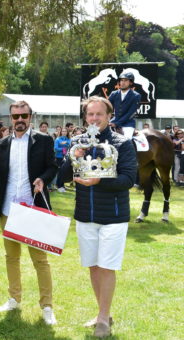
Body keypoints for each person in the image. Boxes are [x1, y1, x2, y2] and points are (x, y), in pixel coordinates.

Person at [0, 100, 58, 325]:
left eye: (24, 116)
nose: (20, 120)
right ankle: (14, 298)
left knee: (40, 260)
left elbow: (53, 166)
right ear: (10, 118)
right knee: (11, 258)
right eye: (15, 116)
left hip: (33, 208)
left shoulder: (44, 140)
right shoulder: (2, 144)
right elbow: (0, 174)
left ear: (30, 116)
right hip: (8, 210)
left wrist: (43, 179)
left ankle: (47, 306)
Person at [62, 96, 137, 338]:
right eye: (90, 114)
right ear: (85, 117)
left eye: (99, 114)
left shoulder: (122, 143)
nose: (94, 118)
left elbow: (128, 179)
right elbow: (63, 174)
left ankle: (103, 319)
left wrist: (99, 181)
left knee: (106, 267)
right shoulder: (77, 141)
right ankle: (102, 312)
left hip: (113, 216)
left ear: (109, 116)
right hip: (85, 214)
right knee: (93, 266)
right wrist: (74, 155)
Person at [108, 72, 141, 139]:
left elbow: (130, 113)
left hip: (128, 124)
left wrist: (116, 124)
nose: (123, 82)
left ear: (131, 83)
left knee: (127, 139)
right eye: (121, 80)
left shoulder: (136, 96)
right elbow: (107, 108)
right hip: (114, 120)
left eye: (126, 80)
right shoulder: (114, 94)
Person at [54, 128, 71, 193]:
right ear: (61, 132)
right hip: (59, 157)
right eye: (63, 131)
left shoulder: (68, 139)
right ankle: (59, 186)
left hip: (66, 157)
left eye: (65, 131)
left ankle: (62, 185)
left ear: (67, 132)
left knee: (64, 172)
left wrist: (66, 144)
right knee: (60, 171)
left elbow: (70, 145)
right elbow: (55, 148)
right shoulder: (57, 139)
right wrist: (64, 148)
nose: (64, 132)